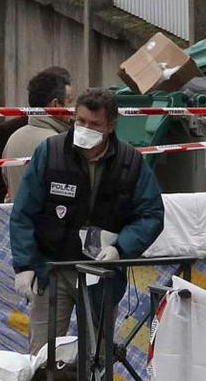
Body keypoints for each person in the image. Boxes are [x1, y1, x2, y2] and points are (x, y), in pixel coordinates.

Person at [9, 88, 165, 355]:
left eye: (95, 124)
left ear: (111, 125)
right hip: (51, 270)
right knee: (42, 356)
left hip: (101, 273)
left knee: (98, 357)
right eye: (81, 121)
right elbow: (23, 212)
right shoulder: (50, 152)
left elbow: (151, 214)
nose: (85, 128)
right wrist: (25, 265)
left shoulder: (131, 162)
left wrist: (121, 249)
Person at [1, 66, 74, 199]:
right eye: (70, 101)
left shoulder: (13, 138)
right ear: (56, 105)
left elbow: (6, 183)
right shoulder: (58, 144)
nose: (73, 109)